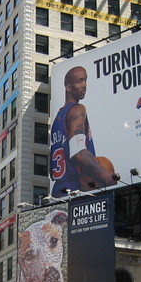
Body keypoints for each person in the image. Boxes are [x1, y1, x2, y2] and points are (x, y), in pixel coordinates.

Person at [50, 66, 117, 197]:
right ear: (68, 87)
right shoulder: (77, 110)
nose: (85, 85)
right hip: (75, 189)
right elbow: (78, 152)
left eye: (85, 80)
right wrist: (106, 176)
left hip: (58, 190)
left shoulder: (58, 117)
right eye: (80, 81)